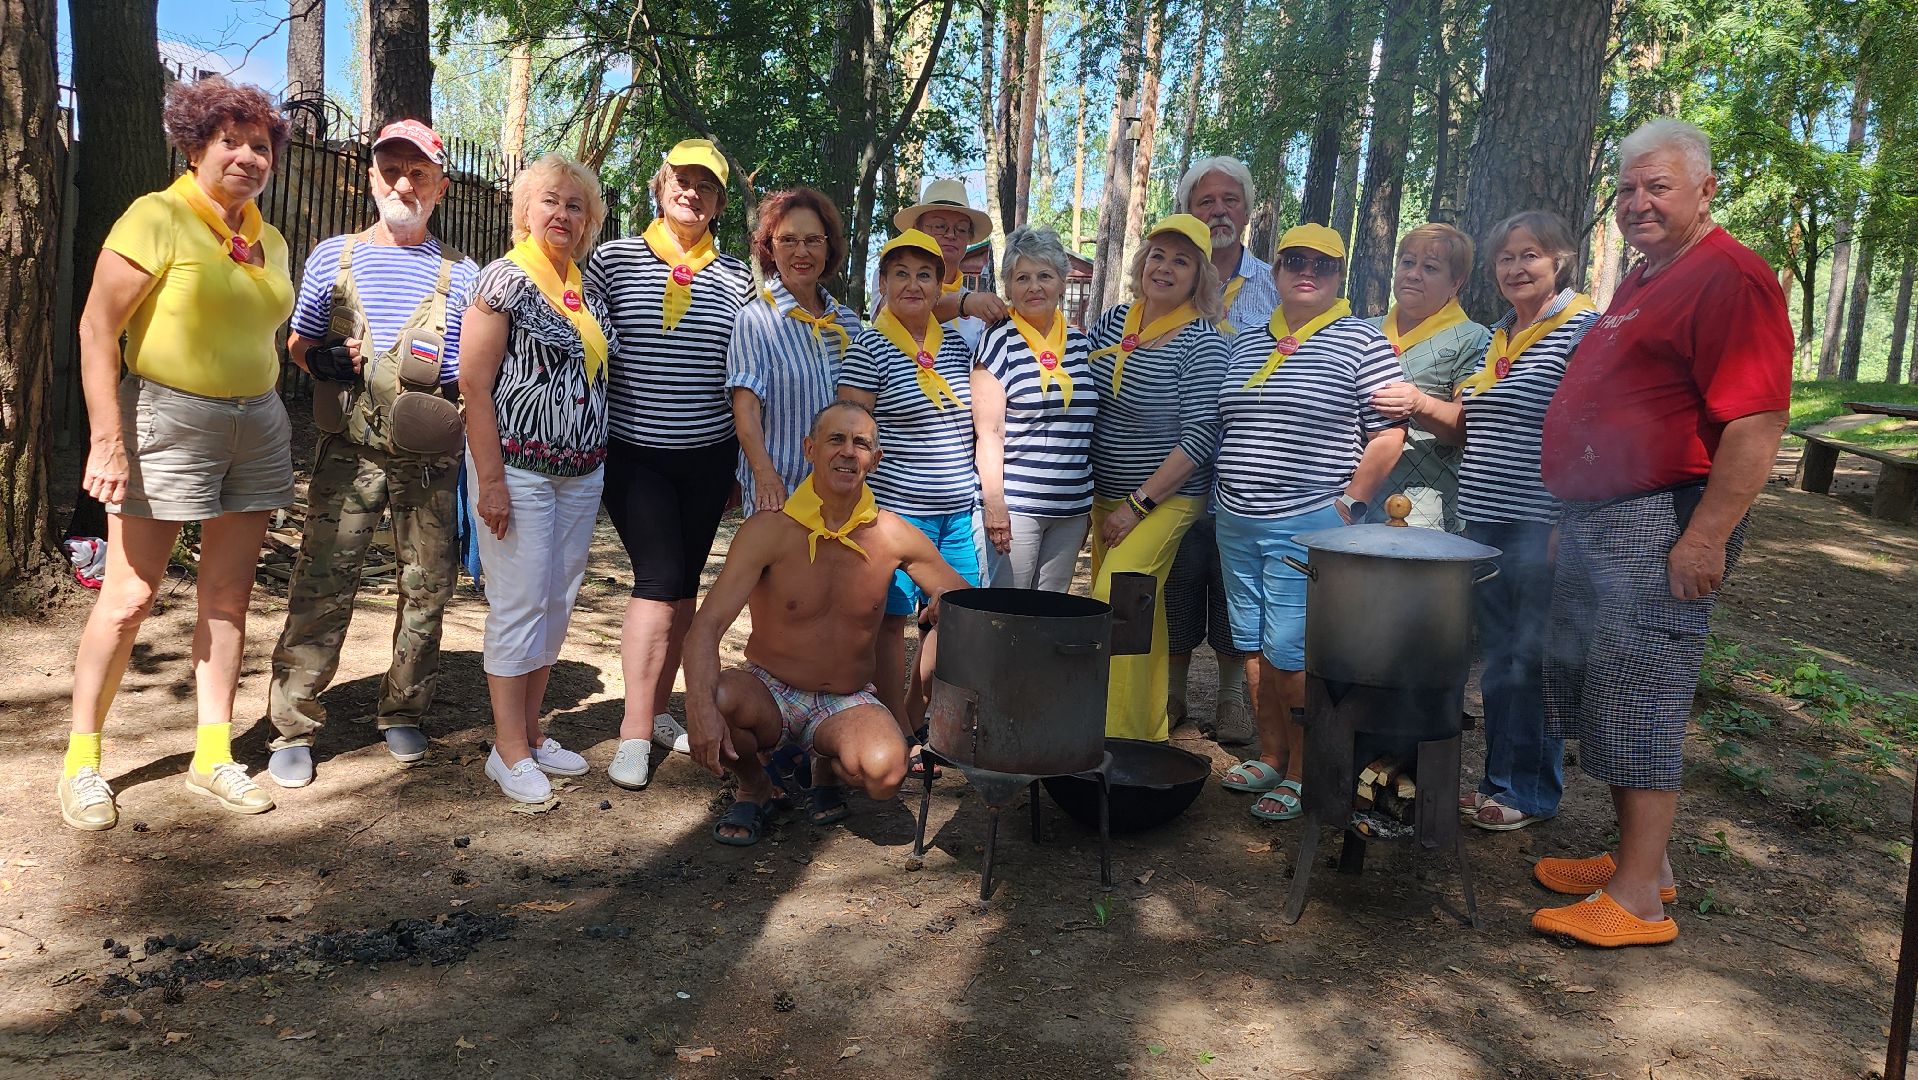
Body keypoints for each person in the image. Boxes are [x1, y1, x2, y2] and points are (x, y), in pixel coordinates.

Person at [1529, 120, 1790, 947]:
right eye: (1629, 189)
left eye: (1659, 188)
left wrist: (1706, 537)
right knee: (1602, 693)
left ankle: (1638, 902)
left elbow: (1755, 422)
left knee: (1642, 697)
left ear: (1706, 190)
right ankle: (1645, 865)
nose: (1638, 203)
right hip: (1603, 517)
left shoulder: (1732, 279)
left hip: (1664, 521)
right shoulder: (1647, 277)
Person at [59, 76, 294, 830]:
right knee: (128, 598)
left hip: (256, 424)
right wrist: (107, 439)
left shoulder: (271, 238)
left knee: (228, 599)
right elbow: (98, 329)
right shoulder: (156, 216)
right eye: (231, 141)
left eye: (261, 146)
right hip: (167, 417)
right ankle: (82, 762)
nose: (248, 157)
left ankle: (212, 755)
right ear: (194, 146)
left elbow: (263, 333)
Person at [265, 119, 481, 787]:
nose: (403, 182)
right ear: (370, 177)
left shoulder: (465, 274)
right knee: (323, 582)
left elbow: (475, 373)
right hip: (347, 449)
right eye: (391, 168)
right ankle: (293, 723)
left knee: (427, 586)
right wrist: (322, 359)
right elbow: (299, 345)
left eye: (418, 172)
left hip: (428, 458)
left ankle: (404, 707)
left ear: (440, 186)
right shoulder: (334, 256)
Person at [1371, 210, 1599, 832]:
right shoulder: (1503, 334)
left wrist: (1569, 519)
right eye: (1506, 258)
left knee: (1532, 658)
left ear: (1561, 262)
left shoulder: (1583, 330)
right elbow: (1473, 426)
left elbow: (1595, 429)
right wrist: (1419, 407)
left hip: (1540, 520)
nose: (1516, 268)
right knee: (1500, 658)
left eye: (1531, 255)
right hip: (1485, 519)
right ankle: (1501, 778)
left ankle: (1528, 791)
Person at [682, 402, 971, 845]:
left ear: (876, 459)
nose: (848, 452)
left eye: (861, 444)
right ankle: (756, 785)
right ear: (810, 448)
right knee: (716, 696)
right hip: (770, 689)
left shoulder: (892, 534)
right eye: (836, 439)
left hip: (847, 698)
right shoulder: (769, 530)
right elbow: (706, 627)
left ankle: (822, 760)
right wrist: (698, 709)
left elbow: (962, 597)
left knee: (887, 774)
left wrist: (941, 607)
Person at [1213, 224, 1407, 822]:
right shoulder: (1249, 340)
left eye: (1322, 265)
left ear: (1338, 276)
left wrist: (1348, 505)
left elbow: (1389, 435)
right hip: (1236, 519)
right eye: (1294, 260)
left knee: (1293, 655)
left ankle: (1303, 772)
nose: (1307, 272)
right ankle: (1272, 754)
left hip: (1308, 523)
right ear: (1274, 271)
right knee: (1251, 647)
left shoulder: (1363, 341)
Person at [587, 139, 756, 790]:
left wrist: (743, 460)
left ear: (717, 205)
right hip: (636, 454)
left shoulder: (736, 277)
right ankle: (633, 731)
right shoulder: (615, 261)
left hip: (709, 455)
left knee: (684, 587)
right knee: (656, 585)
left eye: (706, 187)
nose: (692, 193)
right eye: (681, 181)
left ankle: (658, 711)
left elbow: (743, 370)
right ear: (660, 188)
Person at [460, 154, 616, 804]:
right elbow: (473, 382)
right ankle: (508, 750)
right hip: (516, 470)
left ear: (588, 222)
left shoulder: (588, 289)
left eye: (575, 206)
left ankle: (531, 730)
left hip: (579, 473)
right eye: (550, 201)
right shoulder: (505, 280)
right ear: (526, 211)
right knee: (520, 600)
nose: (562, 214)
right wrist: (489, 481)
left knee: (557, 599)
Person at [836, 230, 983, 759]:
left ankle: (916, 715)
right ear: (883, 283)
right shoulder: (870, 347)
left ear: (942, 282)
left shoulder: (959, 346)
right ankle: (893, 722)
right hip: (896, 514)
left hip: (955, 511)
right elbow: (853, 433)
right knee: (891, 621)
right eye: (901, 274)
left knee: (955, 616)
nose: (914, 285)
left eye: (925, 274)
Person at [1084, 214, 1228, 742]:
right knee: (1143, 612)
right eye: (1159, 256)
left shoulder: (1203, 343)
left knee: (1114, 600)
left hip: (1163, 500)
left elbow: (1198, 442)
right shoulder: (1112, 322)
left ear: (1199, 278)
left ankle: (1105, 732)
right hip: (1104, 495)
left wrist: (1136, 505)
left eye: (1182, 261)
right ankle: (1144, 730)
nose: (1165, 268)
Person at [1163, 156, 1278, 741]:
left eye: (1229, 200)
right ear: (1188, 210)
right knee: (1179, 581)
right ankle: (1173, 697)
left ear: (1248, 210)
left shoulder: (1274, 281)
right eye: (1206, 201)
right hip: (1177, 469)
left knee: (1238, 587)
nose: (1218, 211)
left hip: (1247, 466)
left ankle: (1233, 702)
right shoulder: (1169, 273)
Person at [972, 227, 1099, 591]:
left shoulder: (1079, 344)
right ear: (1009, 288)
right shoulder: (998, 340)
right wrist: (994, 503)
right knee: (1009, 613)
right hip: (1017, 507)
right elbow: (989, 430)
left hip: (1072, 509)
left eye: (1045, 276)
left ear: (1061, 282)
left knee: (1050, 616)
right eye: (1022, 278)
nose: (1034, 287)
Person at [727, 187, 861, 514]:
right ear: (770, 249)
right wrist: (765, 476)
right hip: (780, 496)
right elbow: (745, 413)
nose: (801, 251)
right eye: (788, 240)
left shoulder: (849, 324)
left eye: (813, 240)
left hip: (842, 496)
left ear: (829, 248)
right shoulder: (755, 320)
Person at [1361, 223, 1491, 531]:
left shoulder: (1473, 340)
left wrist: (1419, 403)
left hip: (1426, 510)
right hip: (1354, 500)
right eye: (1407, 262)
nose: (1414, 274)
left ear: (1455, 282)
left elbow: (1467, 430)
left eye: (1430, 267)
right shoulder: (1364, 331)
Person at [891, 178, 1004, 350]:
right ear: (917, 229)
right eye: (939, 226)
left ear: (969, 237)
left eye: (961, 229)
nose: (951, 235)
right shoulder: (893, 274)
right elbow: (895, 317)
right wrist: (965, 303)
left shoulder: (976, 307)